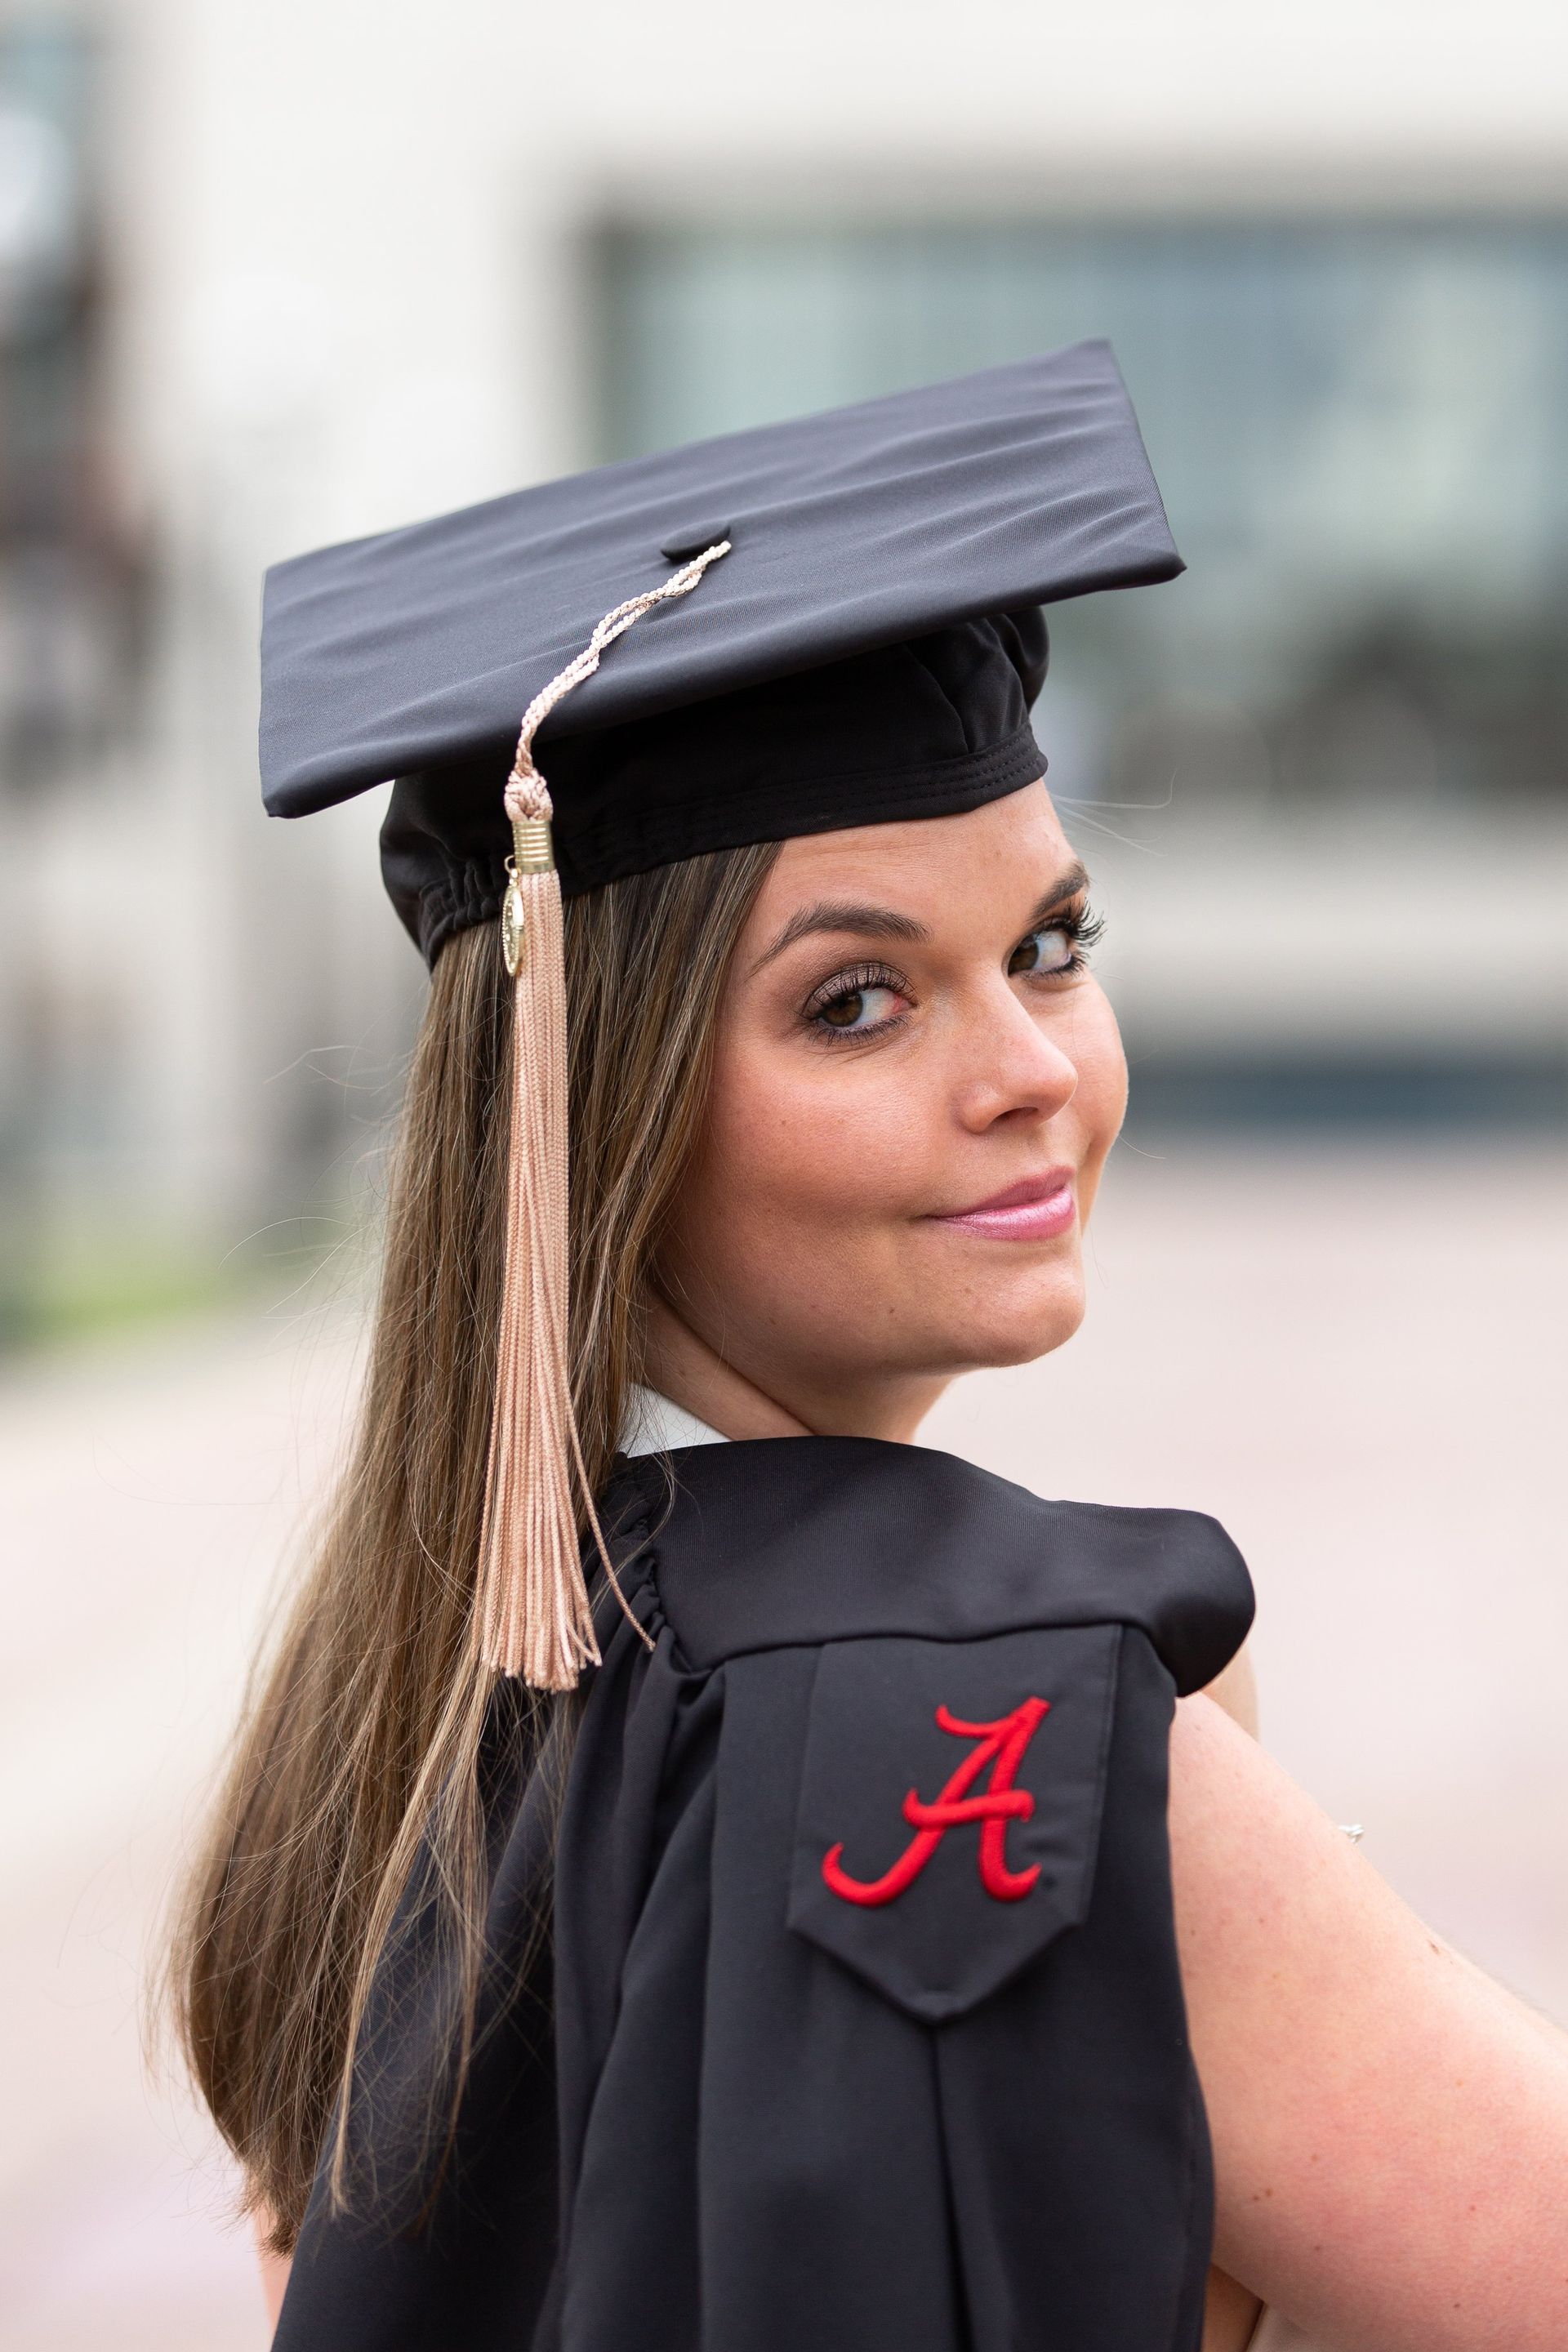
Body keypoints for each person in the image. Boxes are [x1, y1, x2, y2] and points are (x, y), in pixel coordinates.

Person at [169, 347, 1568, 2352]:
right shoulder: (1007, 1722)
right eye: (855, 1002)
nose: (1028, 1072)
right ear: (599, 1102)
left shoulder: (405, 1718)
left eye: (1051, 949)